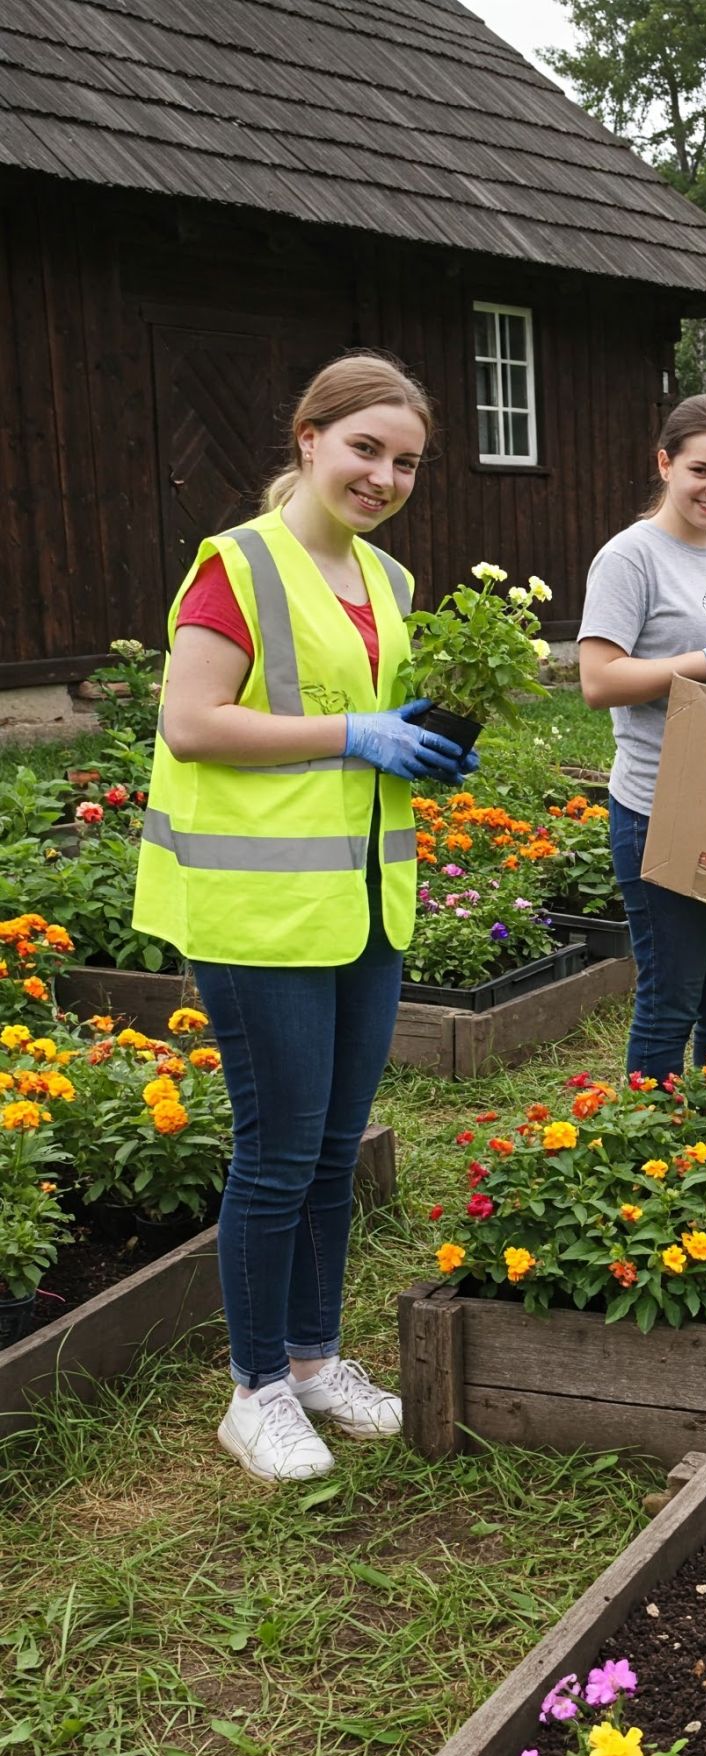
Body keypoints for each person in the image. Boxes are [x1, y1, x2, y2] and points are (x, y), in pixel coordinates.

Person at [134, 351, 477, 1483]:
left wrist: (413, 744)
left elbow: (351, 721)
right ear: (308, 440)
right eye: (365, 449)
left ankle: (318, 1361)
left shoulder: (389, 582)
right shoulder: (240, 565)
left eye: (406, 461)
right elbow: (191, 723)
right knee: (278, 1155)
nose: (382, 476)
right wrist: (355, 736)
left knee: (334, 1150)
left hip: (362, 901)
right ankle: (255, 1391)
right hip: (257, 908)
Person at [578, 394, 706, 1083]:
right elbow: (598, 680)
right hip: (662, 807)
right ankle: (650, 1162)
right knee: (671, 1002)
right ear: (664, 464)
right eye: (701, 470)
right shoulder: (630, 559)